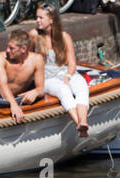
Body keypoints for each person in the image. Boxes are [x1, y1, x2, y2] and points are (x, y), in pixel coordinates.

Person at [30, 3, 89, 137]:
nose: (37, 21)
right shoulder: (34, 35)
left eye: (41, 18)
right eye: (36, 17)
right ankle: (78, 124)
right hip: (46, 78)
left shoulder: (64, 37)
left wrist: (68, 77)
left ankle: (84, 122)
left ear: (51, 20)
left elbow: (72, 63)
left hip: (63, 73)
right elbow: (27, 58)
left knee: (81, 86)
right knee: (64, 90)